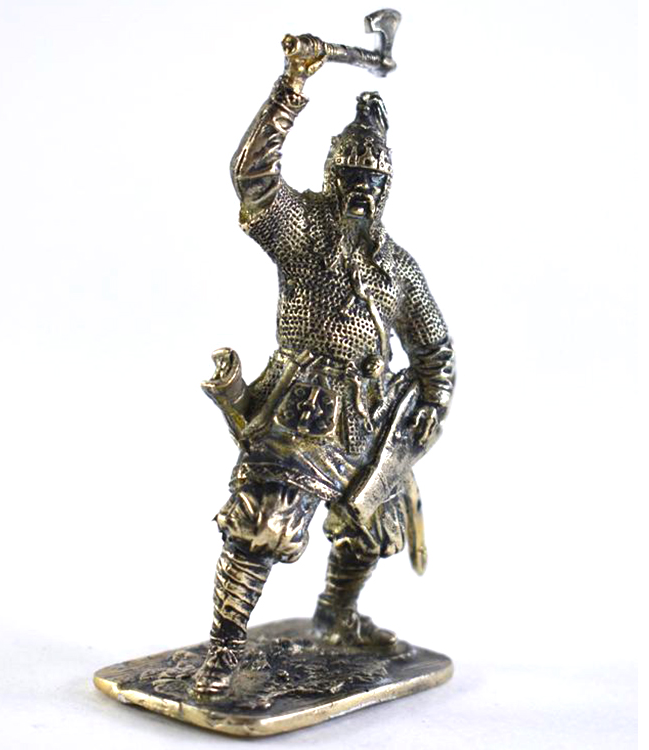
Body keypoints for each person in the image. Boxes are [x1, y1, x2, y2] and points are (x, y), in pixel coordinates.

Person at [193, 42, 455, 697]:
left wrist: (426, 411)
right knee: (262, 522)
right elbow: (253, 176)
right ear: (332, 176)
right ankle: (224, 648)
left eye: (372, 181)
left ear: (386, 189)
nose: (361, 189)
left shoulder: (397, 268)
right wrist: (292, 85)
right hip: (300, 407)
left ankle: (337, 617)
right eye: (350, 176)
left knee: (372, 523)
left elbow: (435, 352)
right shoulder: (304, 229)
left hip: (369, 416)